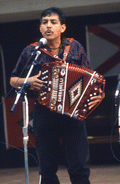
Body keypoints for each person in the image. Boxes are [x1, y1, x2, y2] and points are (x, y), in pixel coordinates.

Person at [10, 7, 102, 184]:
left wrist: (95, 96)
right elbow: (13, 79)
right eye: (44, 22)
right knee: (47, 168)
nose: (48, 26)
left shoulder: (74, 47)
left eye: (53, 22)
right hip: (44, 112)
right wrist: (28, 80)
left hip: (72, 113)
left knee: (78, 166)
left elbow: (90, 78)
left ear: (63, 27)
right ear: (40, 28)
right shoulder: (31, 51)